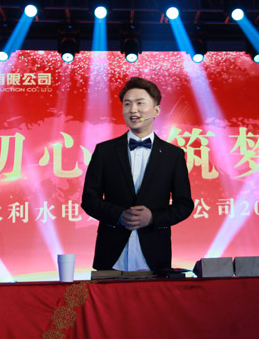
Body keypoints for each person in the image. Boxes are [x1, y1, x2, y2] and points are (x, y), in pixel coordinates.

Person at [81, 76, 194, 274]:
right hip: (111, 255)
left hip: (155, 255)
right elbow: (89, 200)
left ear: (156, 110)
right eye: (127, 104)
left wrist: (153, 218)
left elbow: (184, 204)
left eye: (140, 103)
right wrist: (119, 216)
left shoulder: (173, 155)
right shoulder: (105, 151)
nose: (133, 110)